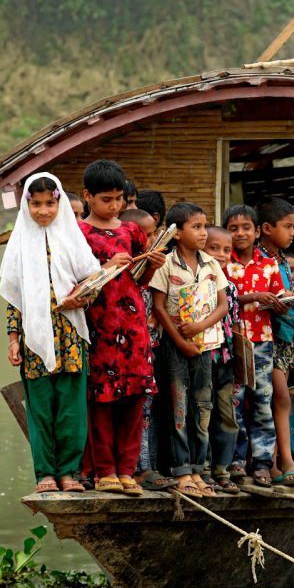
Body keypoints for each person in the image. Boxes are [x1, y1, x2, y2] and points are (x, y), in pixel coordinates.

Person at [0, 172, 102, 494]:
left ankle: (69, 472)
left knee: (71, 408)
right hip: (34, 338)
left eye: (49, 204)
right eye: (36, 204)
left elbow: (94, 282)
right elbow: (14, 298)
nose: (43, 211)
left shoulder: (72, 239)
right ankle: (45, 472)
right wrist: (13, 339)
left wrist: (79, 297)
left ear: (58, 203)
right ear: (27, 206)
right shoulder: (19, 244)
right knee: (41, 408)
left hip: (70, 335)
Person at [79, 159, 165, 496]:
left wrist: (152, 264)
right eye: (106, 199)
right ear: (87, 196)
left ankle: (127, 470)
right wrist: (105, 267)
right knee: (102, 399)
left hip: (133, 325)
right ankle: (104, 471)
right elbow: (74, 281)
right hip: (99, 324)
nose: (114, 206)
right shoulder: (77, 232)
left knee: (133, 397)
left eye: (118, 199)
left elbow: (140, 280)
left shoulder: (132, 231)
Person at [150, 202, 227, 498]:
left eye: (204, 226)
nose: (203, 233)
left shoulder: (211, 264)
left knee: (203, 407)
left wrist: (199, 328)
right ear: (178, 233)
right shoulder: (167, 265)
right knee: (179, 407)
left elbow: (222, 305)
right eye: (196, 227)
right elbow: (158, 306)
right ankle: (182, 471)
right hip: (174, 346)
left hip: (205, 344)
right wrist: (182, 340)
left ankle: (199, 469)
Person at [222, 204, 283, 487]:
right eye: (233, 228)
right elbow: (223, 299)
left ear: (258, 231)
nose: (240, 233)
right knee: (233, 402)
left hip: (262, 342)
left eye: (246, 228)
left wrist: (283, 303)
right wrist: (253, 296)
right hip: (232, 342)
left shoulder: (269, 263)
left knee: (261, 402)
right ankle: (235, 460)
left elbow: (278, 297)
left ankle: (261, 463)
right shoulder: (222, 263)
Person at [120, 207, 175, 492]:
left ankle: (149, 466)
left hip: (148, 350)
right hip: (127, 354)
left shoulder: (152, 267)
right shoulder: (124, 270)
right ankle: (139, 468)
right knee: (138, 411)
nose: (155, 239)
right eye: (149, 234)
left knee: (148, 411)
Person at [254, 198, 294, 486]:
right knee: (278, 398)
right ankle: (281, 461)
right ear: (266, 228)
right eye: (288, 227)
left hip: (284, 338)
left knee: (279, 399)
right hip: (266, 337)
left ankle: (278, 461)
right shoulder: (260, 259)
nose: (293, 233)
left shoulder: (282, 258)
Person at [204, 226, 241, 494]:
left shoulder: (232, 288)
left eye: (226, 250)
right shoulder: (196, 285)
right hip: (203, 359)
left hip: (227, 361)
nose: (221, 255)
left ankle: (222, 469)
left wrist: (241, 362)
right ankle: (202, 469)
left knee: (227, 416)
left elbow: (236, 325)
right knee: (202, 415)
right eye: (214, 248)